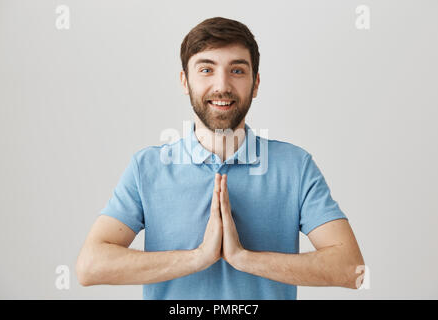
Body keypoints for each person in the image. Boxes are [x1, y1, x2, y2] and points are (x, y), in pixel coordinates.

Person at [76, 16, 365, 299]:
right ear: (184, 81)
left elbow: (351, 269)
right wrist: (198, 257)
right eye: (206, 70)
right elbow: (90, 266)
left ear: (256, 83)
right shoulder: (147, 168)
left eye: (237, 70)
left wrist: (243, 258)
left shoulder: (295, 167)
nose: (222, 85)